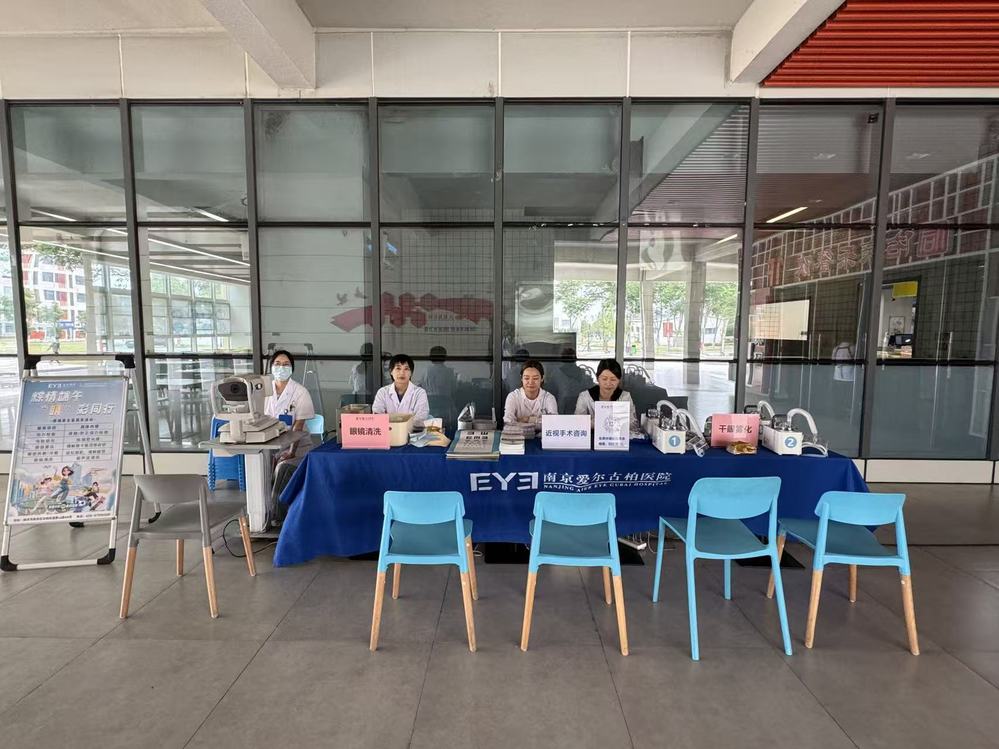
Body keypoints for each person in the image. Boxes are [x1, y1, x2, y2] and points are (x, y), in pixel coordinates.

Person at [265, 350, 317, 462]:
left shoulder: (301, 392)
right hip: (270, 445)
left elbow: (298, 427)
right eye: (277, 364)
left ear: (291, 368)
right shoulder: (264, 391)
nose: (281, 367)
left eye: (286, 364)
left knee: (283, 468)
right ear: (271, 367)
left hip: (297, 447)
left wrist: (291, 452)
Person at [574, 358, 641, 434]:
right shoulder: (585, 396)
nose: (608, 383)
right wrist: (602, 421)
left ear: (619, 380)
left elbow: (633, 424)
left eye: (613, 379)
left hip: (617, 438)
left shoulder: (625, 396)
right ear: (597, 378)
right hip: (590, 438)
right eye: (604, 379)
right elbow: (577, 423)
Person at [373, 354, 430, 426]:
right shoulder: (382, 392)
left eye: (406, 369)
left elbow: (421, 418)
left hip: (412, 432)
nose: (402, 373)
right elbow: (377, 416)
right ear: (391, 371)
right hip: (388, 431)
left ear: (411, 373)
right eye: (398, 368)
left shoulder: (419, 393)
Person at [504, 359, 558, 425]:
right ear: (521, 378)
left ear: (542, 378)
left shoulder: (549, 398)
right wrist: (541, 420)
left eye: (535, 378)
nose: (531, 382)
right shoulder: (513, 396)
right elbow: (508, 421)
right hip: (518, 432)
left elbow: (554, 421)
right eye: (526, 378)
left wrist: (527, 419)